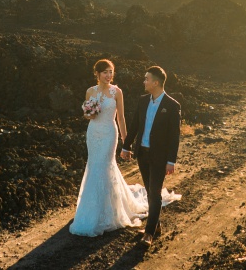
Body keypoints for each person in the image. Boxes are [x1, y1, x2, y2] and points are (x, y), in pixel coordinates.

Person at [69, 59, 155, 236]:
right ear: (98, 74)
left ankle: (110, 212)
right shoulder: (90, 91)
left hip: (109, 133)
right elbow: (87, 116)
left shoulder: (117, 92)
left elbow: (121, 118)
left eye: (111, 72)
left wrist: (126, 142)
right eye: (105, 72)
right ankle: (92, 210)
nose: (109, 75)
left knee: (104, 166)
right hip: (93, 133)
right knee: (94, 167)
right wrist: (90, 112)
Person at [120, 65, 181, 245]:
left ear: (156, 82)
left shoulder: (172, 105)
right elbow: (134, 125)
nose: (144, 81)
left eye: (147, 79)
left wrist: (171, 161)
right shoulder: (143, 100)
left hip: (160, 157)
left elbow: (174, 136)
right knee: (149, 191)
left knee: (155, 192)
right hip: (143, 153)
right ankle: (156, 225)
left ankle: (149, 233)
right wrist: (126, 146)